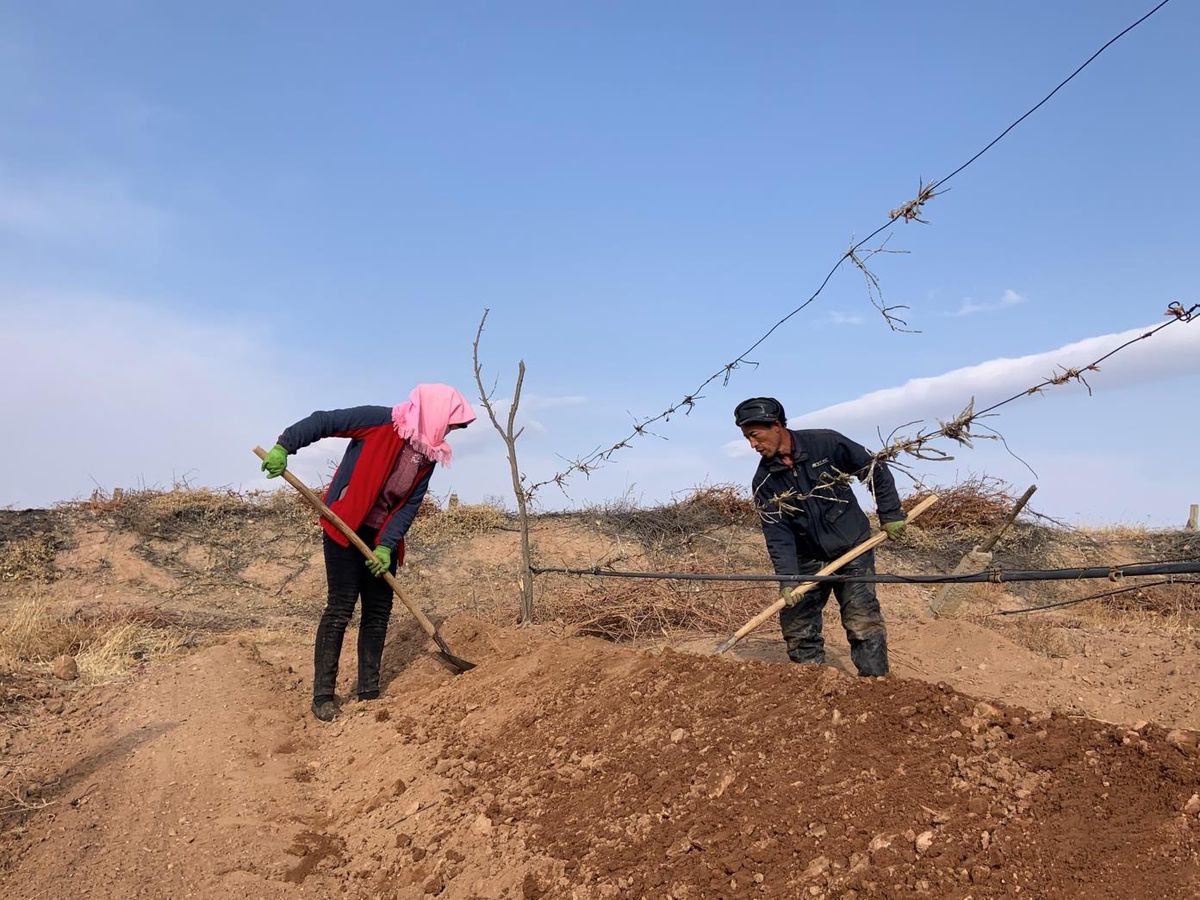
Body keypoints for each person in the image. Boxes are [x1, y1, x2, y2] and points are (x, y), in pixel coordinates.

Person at [260, 384, 476, 721]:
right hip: (344, 525)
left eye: (453, 427)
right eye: (449, 423)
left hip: (380, 539)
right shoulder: (379, 421)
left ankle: (369, 692)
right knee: (341, 607)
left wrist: (387, 546)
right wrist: (285, 446)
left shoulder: (429, 454)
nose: (449, 430)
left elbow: (409, 506)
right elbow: (323, 422)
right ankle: (323, 696)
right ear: (434, 412)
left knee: (378, 611)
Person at [734, 396, 905, 677]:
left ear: (776, 425)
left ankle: (875, 685)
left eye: (754, 435)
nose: (752, 445)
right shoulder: (765, 482)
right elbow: (778, 535)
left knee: (861, 618)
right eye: (747, 438)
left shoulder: (826, 444)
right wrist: (788, 579)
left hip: (853, 546)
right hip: (807, 556)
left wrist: (891, 514)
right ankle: (812, 685)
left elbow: (874, 468)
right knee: (798, 624)